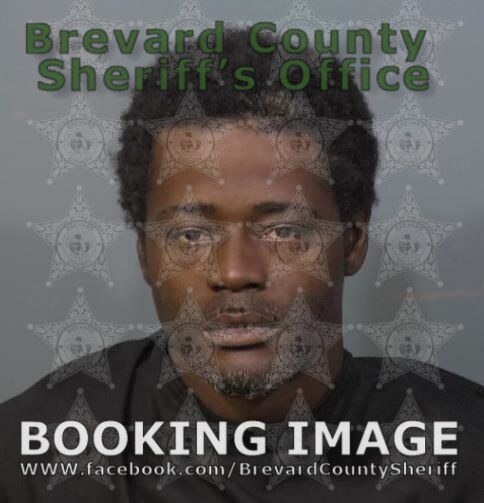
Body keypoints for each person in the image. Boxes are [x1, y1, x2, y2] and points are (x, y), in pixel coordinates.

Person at [1, 29, 483, 503]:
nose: (234, 273)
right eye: (190, 235)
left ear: (353, 240)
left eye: (285, 231)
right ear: (144, 252)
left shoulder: (465, 456)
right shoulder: (37, 455)